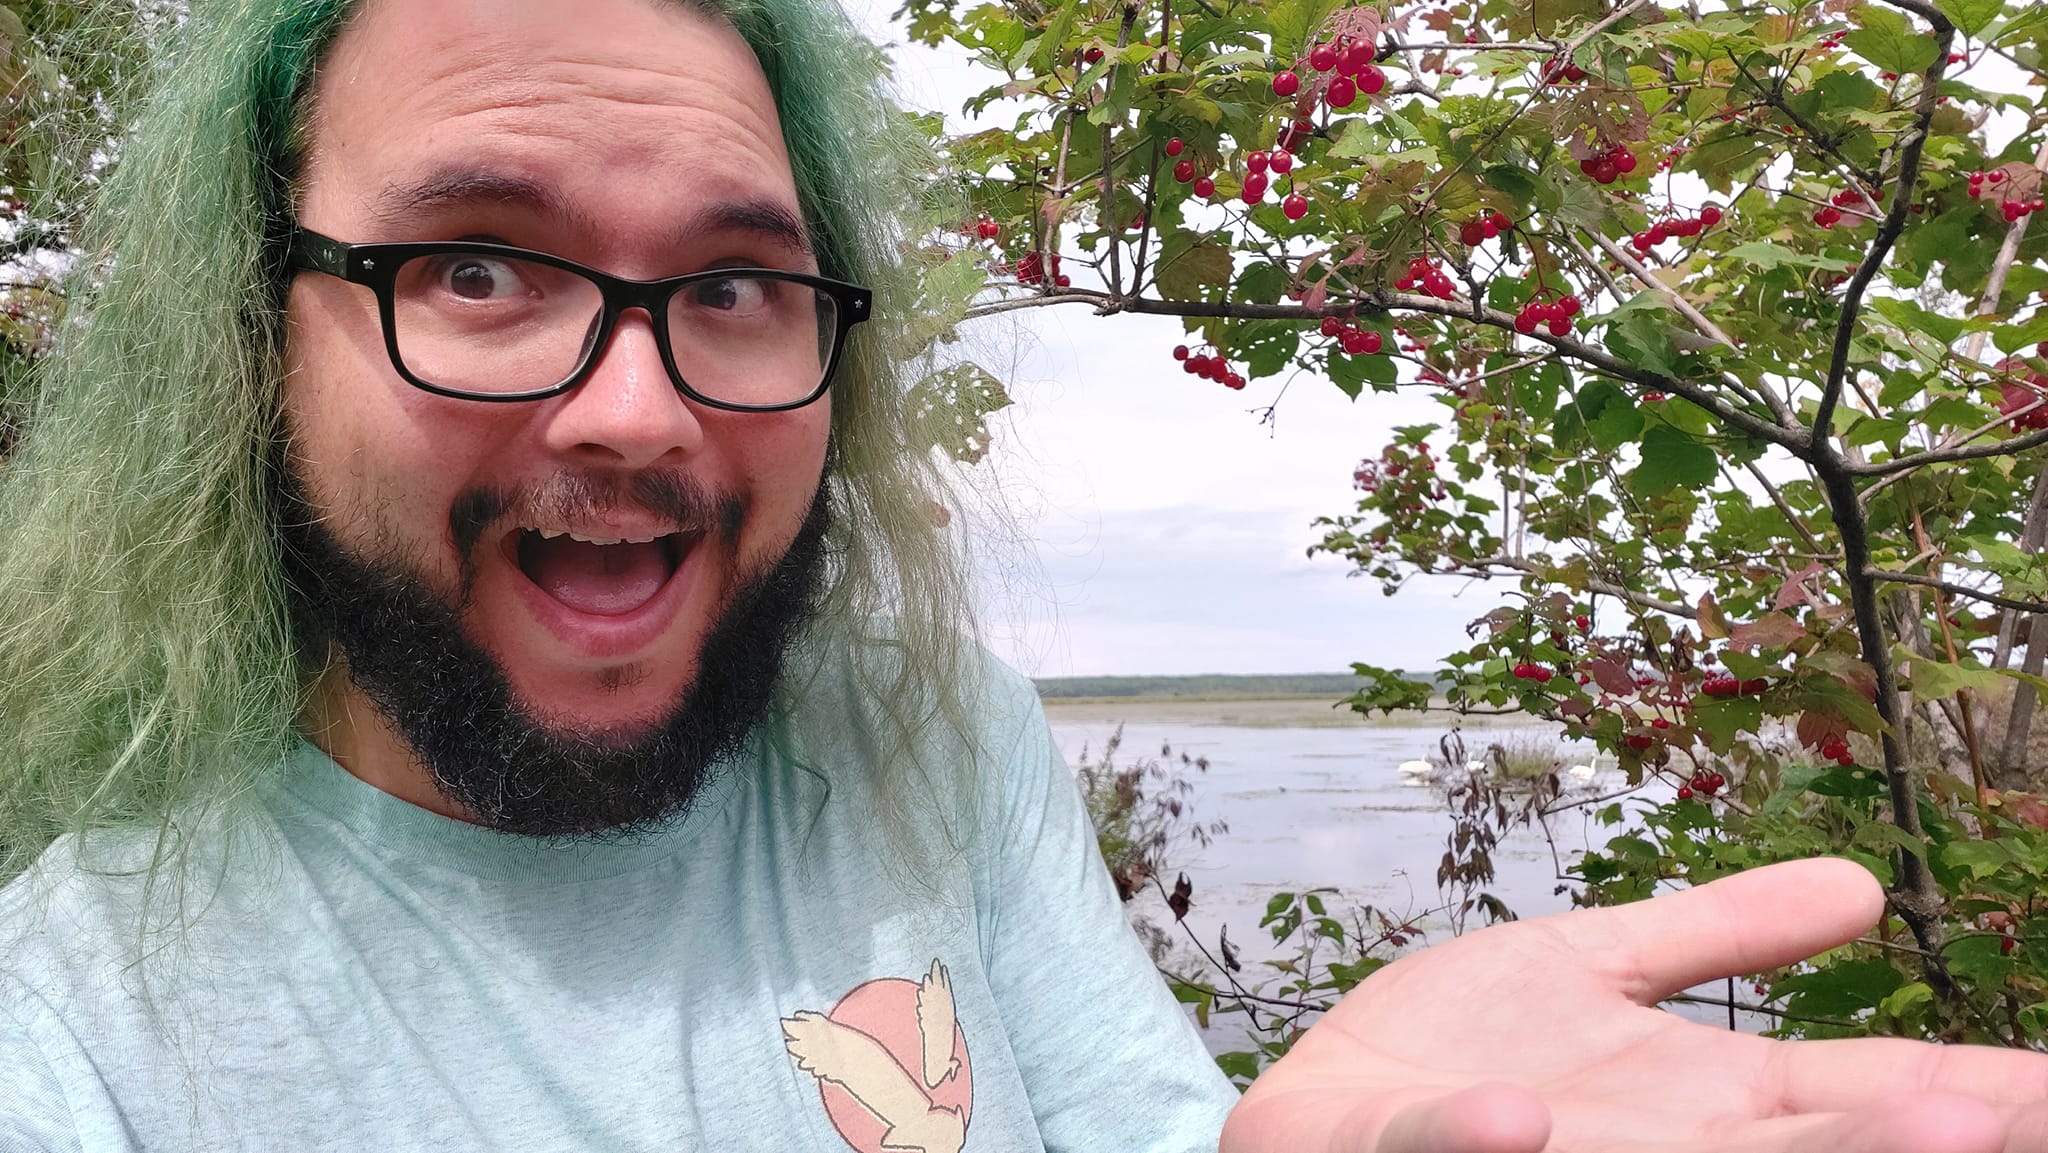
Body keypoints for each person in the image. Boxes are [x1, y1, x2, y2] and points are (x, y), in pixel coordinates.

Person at [0, 1, 2044, 1150]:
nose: (633, 409)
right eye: (472, 264)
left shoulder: (910, 728)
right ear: (241, 341)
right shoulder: (70, 1023)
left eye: (733, 282)